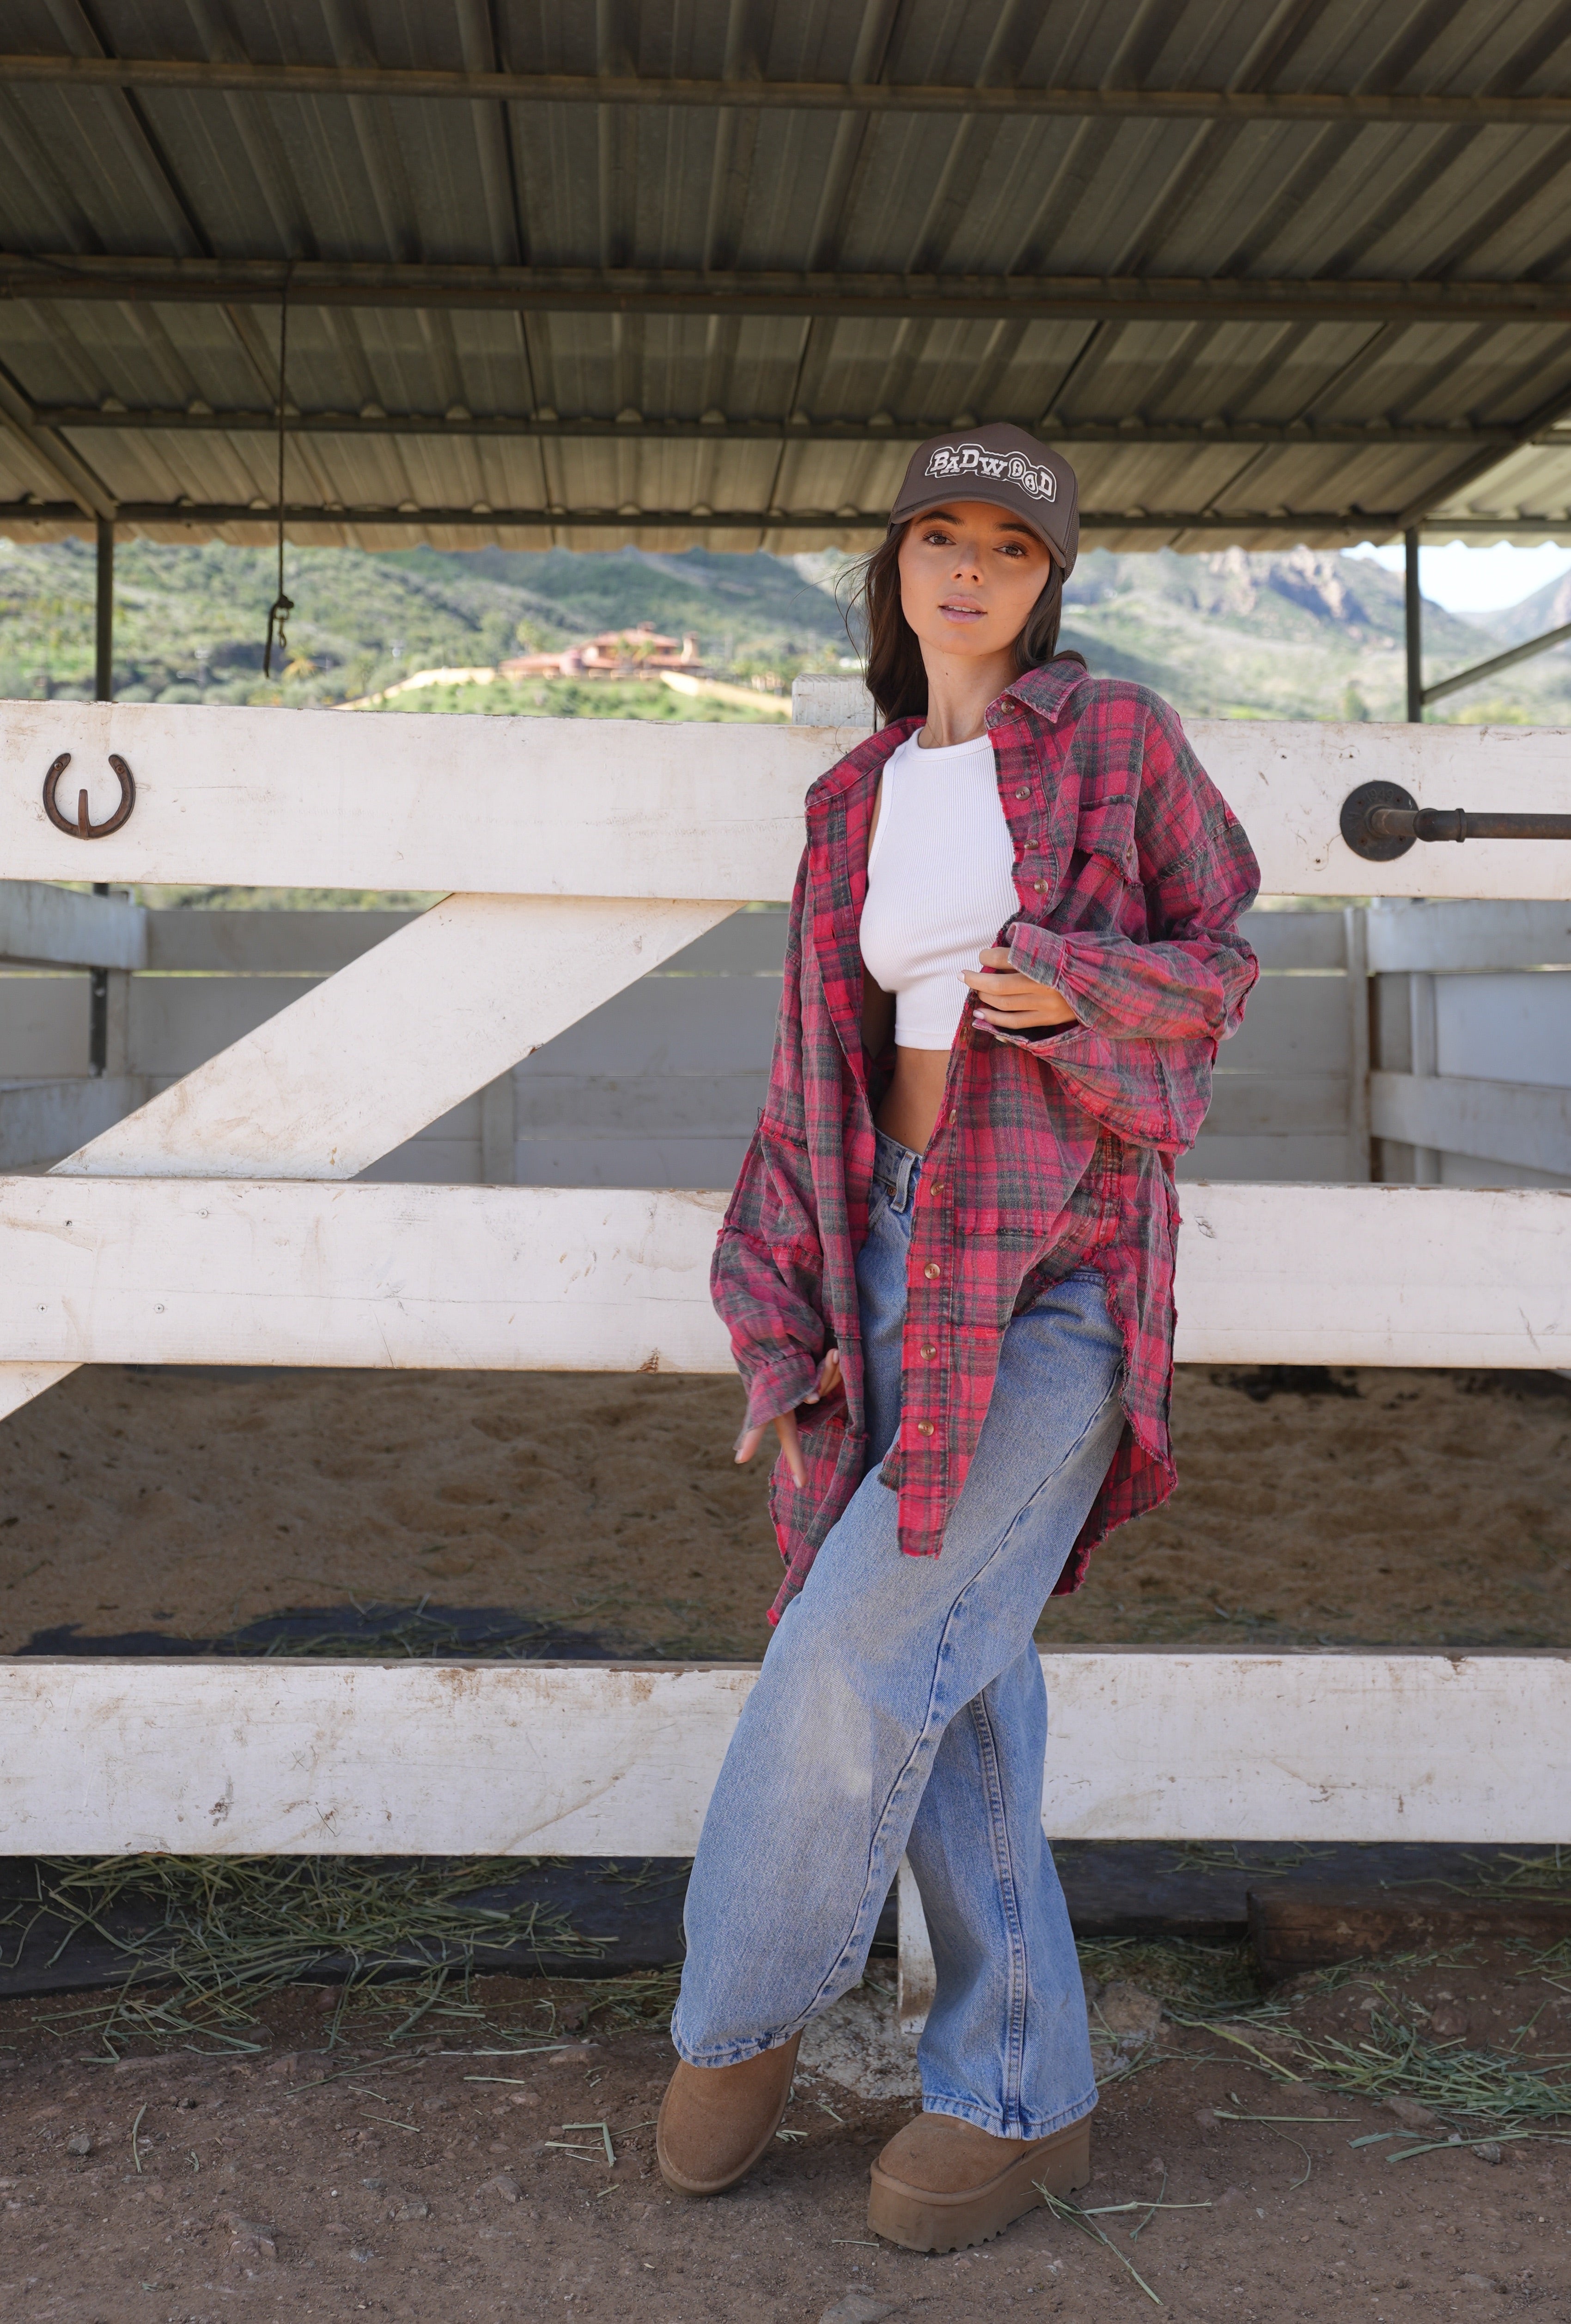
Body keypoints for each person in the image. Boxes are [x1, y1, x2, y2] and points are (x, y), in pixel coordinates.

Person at [655, 423, 1260, 2253]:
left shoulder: (1119, 742)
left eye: (1012, 542)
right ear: (897, 568)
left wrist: (1079, 985)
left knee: (850, 1655)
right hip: (894, 1254)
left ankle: (734, 2020)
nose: (973, 567)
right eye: (943, 534)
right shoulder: (850, 801)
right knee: (963, 1688)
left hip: (1059, 1270)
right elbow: (809, 1076)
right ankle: (1026, 2093)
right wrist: (776, 1312)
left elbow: (1221, 957)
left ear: (1047, 581)